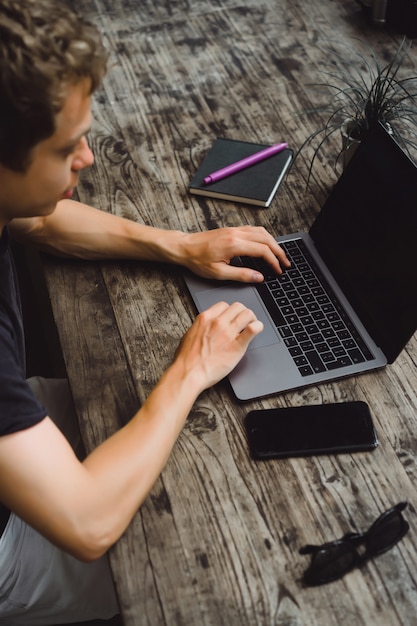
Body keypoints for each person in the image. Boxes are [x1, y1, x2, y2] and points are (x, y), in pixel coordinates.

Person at [0, 0, 290, 623]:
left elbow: (39, 220)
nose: (88, 160)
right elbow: (88, 520)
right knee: (223, 556)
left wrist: (179, 245)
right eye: (67, 148)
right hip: (13, 543)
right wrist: (192, 367)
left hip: (20, 433)